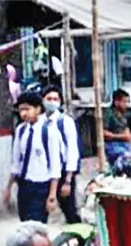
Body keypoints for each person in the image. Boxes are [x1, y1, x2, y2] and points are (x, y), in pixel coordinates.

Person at [4, 92, 61, 223]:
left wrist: (52, 195)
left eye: (27, 109)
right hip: (24, 184)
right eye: (21, 110)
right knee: (24, 222)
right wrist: (9, 187)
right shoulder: (21, 130)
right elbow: (16, 161)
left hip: (41, 185)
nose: (23, 113)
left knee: (36, 224)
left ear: (38, 109)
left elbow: (55, 165)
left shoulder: (49, 131)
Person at [39, 87, 80, 225]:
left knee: (69, 210)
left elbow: (72, 150)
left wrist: (68, 180)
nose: (52, 102)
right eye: (48, 99)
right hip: (44, 172)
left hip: (63, 173)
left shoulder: (65, 121)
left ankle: (83, 241)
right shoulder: (39, 122)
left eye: (55, 99)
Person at [103, 89, 131, 167]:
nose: (126, 104)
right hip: (113, 145)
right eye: (124, 102)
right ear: (116, 102)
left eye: (127, 102)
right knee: (127, 156)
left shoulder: (123, 115)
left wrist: (129, 139)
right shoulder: (109, 114)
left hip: (125, 144)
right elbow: (103, 133)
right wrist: (121, 136)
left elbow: (127, 132)